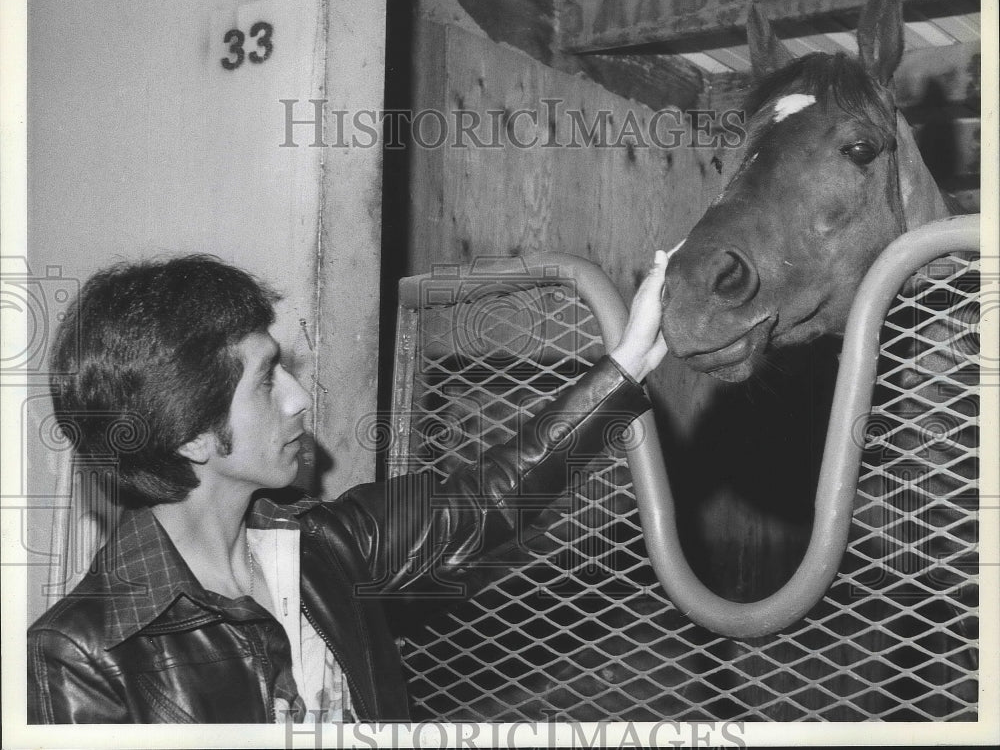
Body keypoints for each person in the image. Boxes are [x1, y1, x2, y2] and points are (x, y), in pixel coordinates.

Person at [27, 251, 670, 724]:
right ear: (191, 435)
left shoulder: (323, 548)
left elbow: (485, 501)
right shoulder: (84, 654)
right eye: (266, 380)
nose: (299, 397)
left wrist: (626, 365)